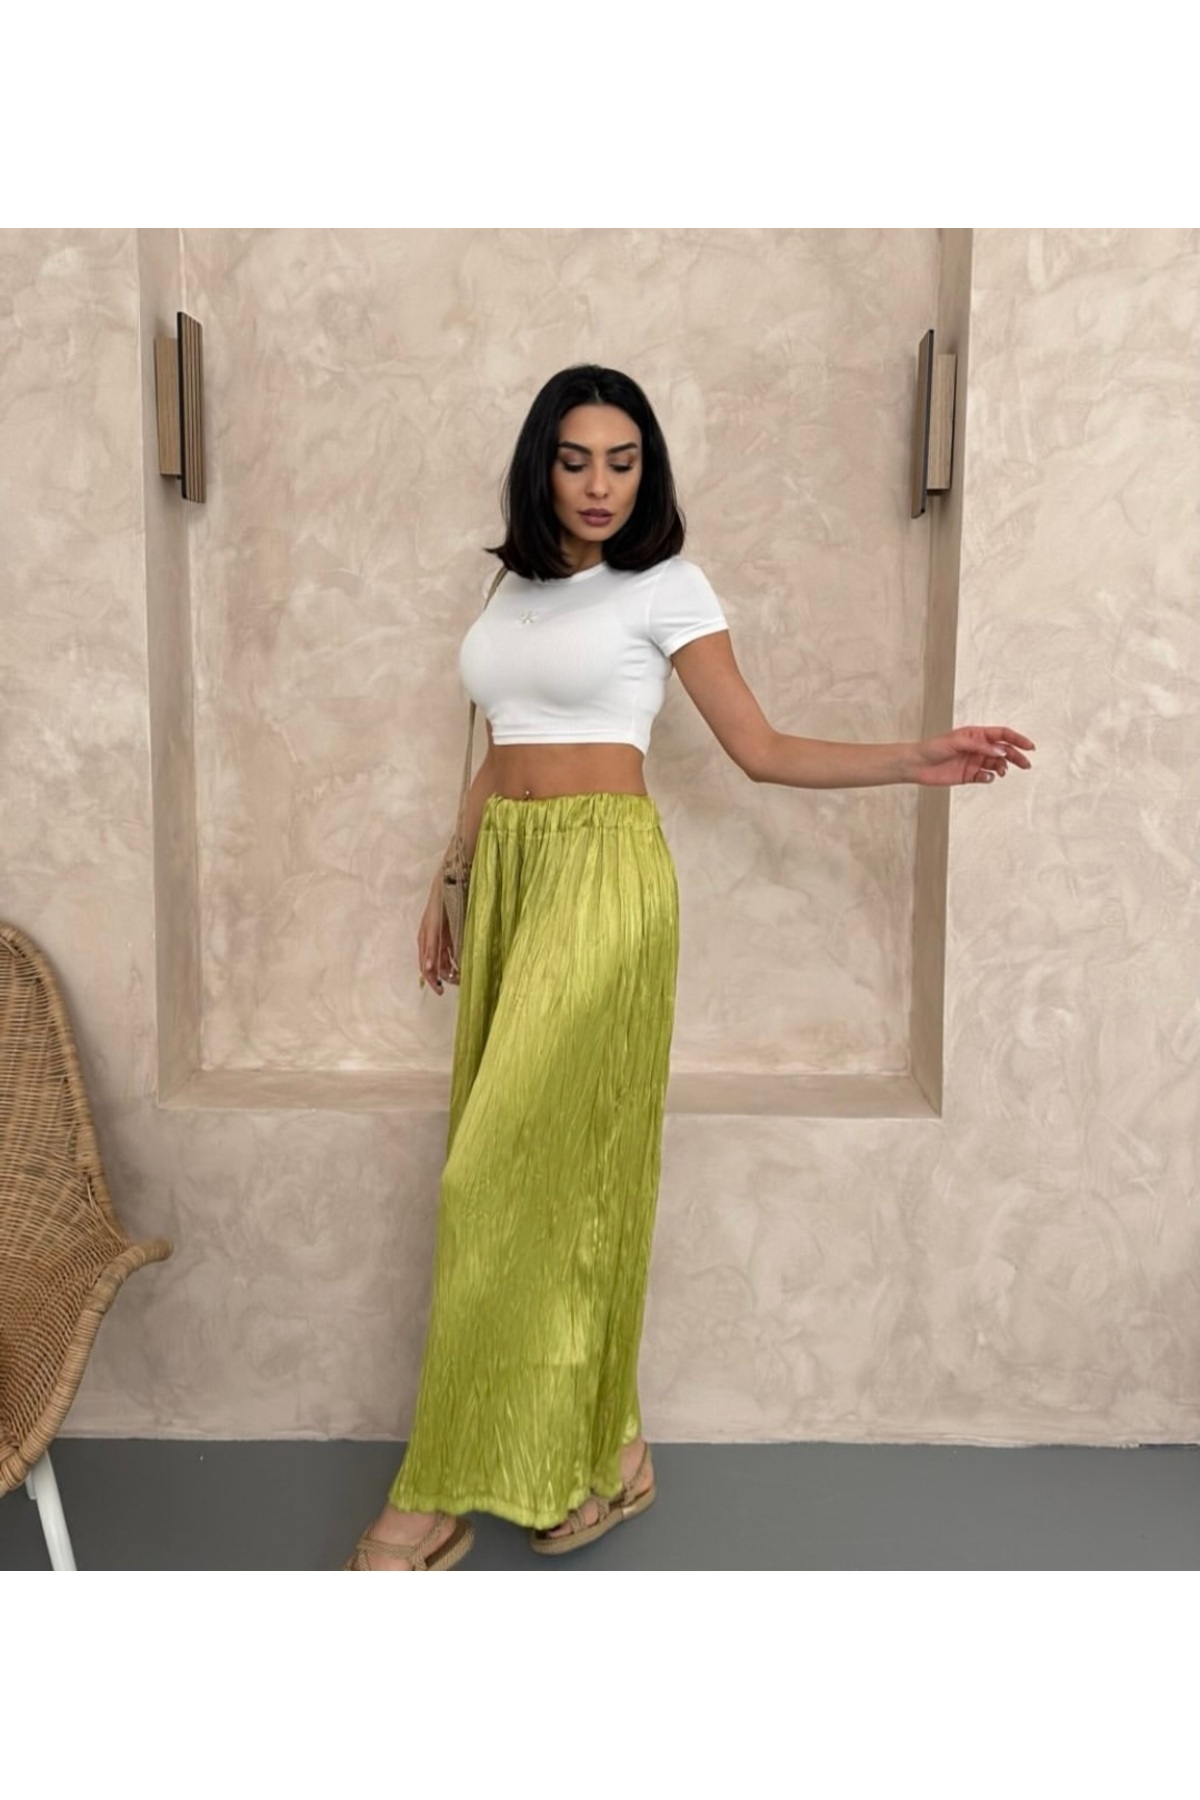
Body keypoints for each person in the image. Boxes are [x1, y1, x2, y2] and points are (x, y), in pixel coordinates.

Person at [343, 364, 1035, 1570]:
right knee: (565, 1179)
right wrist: (450, 876)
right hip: (510, 877)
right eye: (576, 459)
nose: (600, 484)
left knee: (494, 1180)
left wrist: (913, 760)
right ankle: (612, 1452)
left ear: (647, 472)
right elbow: (501, 744)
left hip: (603, 881)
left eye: (623, 461)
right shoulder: (511, 588)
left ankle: (436, 1490)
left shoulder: (669, 586)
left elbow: (759, 749)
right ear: (542, 468)